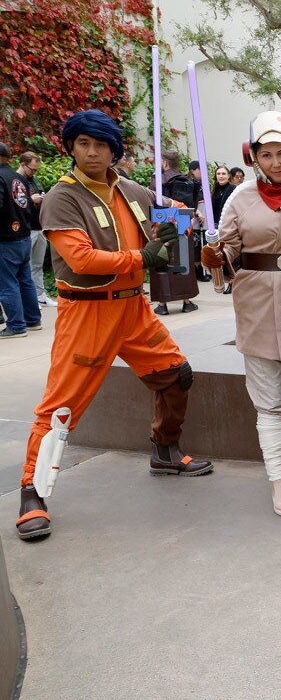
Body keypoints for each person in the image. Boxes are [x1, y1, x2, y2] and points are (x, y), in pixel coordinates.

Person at [15, 110, 212, 541]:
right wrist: (144, 258)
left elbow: (168, 213)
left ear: (113, 151)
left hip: (133, 310)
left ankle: (164, 450)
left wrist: (190, 218)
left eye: (101, 146)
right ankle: (32, 492)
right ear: (70, 146)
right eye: (83, 143)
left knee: (175, 375)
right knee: (61, 407)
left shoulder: (131, 190)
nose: (92, 152)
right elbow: (82, 259)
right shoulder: (63, 198)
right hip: (87, 312)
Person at [201, 111, 281, 516]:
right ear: (253, 156)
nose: (276, 162)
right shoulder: (238, 200)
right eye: (267, 154)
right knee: (270, 400)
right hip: (258, 305)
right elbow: (225, 254)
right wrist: (214, 255)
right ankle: (278, 479)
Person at [0, 142, 42, 338]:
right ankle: (33, 320)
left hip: (5, 239)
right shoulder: (18, 178)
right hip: (23, 236)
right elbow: (27, 206)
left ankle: (16, 325)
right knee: (25, 280)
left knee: (7, 283)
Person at [151, 153, 200, 313]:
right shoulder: (187, 180)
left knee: (162, 258)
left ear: (165, 163)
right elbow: (192, 205)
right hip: (184, 220)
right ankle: (187, 301)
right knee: (184, 258)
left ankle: (163, 304)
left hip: (162, 222)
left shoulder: (158, 181)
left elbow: (151, 202)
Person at [17, 151, 54, 308]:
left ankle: (40, 295)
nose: (34, 172)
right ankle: (30, 299)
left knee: (37, 265)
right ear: (23, 164)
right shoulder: (16, 181)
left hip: (39, 227)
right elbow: (15, 204)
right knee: (26, 265)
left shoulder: (35, 180)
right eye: (32, 169)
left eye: (36, 169)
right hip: (26, 229)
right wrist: (31, 200)